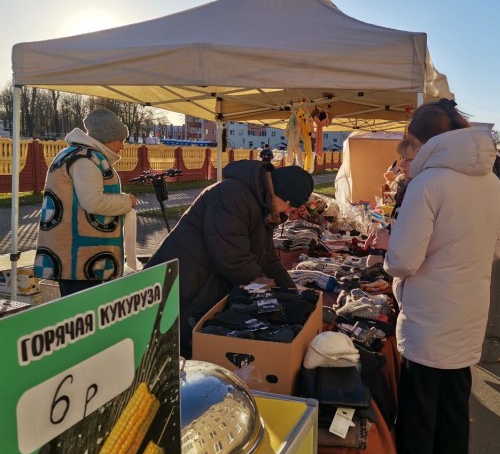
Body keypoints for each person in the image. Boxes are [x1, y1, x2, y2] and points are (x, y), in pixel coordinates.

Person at [372, 98, 500, 454]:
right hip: (469, 316)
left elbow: (402, 262)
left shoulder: (427, 183)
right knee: (452, 417)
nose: (408, 158)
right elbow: (497, 248)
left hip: (428, 325)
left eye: (410, 148)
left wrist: (391, 244)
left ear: (425, 142)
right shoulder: (492, 182)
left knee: (418, 422)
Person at [145, 161, 314, 357]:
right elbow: (232, 256)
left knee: (182, 339)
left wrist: (292, 294)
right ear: (284, 195)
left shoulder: (261, 204)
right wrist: (259, 280)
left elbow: (268, 259)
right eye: (289, 207)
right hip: (183, 278)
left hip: (204, 281)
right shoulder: (233, 195)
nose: (287, 213)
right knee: (162, 342)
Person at [33, 108, 137, 297]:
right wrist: (126, 201)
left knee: (79, 316)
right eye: (120, 140)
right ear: (106, 138)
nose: (122, 146)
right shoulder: (86, 160)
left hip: (79, 260)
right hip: (81, 261)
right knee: (83, 315)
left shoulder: (75, 154)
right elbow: (93, 202)